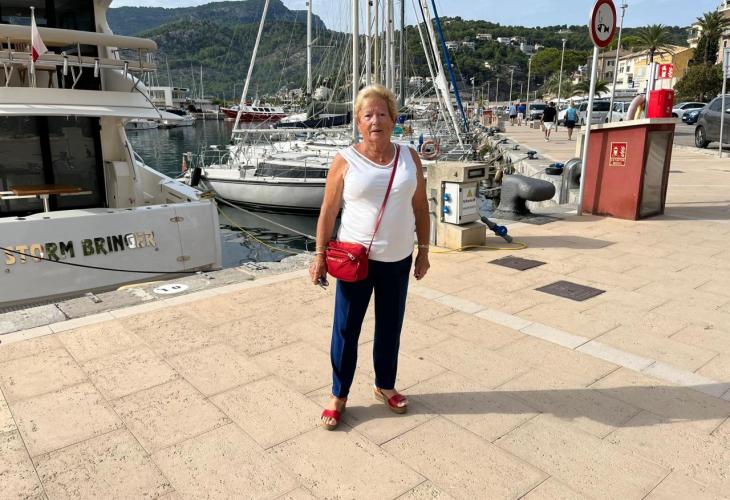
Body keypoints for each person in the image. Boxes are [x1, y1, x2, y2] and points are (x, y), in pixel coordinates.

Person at [310, 84, 431, 431]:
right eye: (368, 115)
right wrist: (319, 256)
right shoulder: (345, 160)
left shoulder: (409, 157)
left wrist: (424, 251)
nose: (375, 120)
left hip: (398, 259)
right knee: (346, 329)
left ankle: (385, 385)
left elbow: (420, 207)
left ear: (393, 119)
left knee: (390, 326)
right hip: (354, 260)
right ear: (358, 122)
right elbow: (328, 210)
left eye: (381, 113)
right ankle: (338, 394)